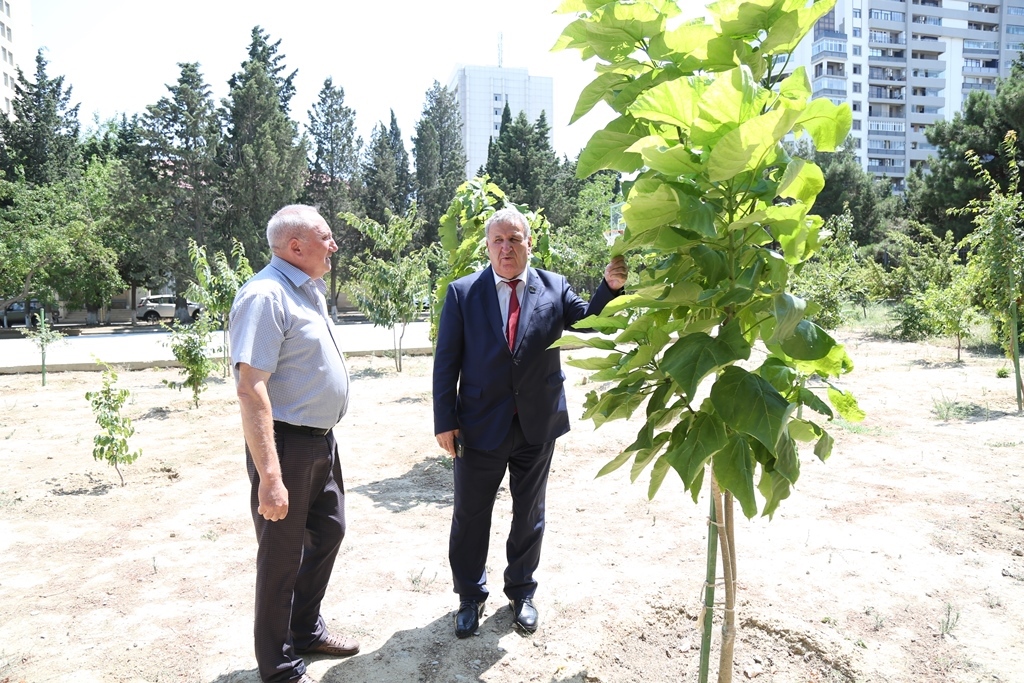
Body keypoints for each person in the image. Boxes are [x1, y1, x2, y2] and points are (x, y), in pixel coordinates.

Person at [433, 206, 628, 638]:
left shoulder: (554, 287)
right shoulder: (464, 293)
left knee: (530, 513)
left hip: (536, 424)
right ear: (488, 246)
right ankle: (469, 596)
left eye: (514, 239)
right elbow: (446, 362)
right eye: (498, 240)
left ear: (529, 242)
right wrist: (444, 419)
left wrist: (609, 290)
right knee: (470, 515)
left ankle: (521, 591)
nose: (506, 248)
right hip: (479, 425)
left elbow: (590, 324)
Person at [230, 205, 358, 683]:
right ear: (296, 246)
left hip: (320, 440)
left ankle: (304, 629)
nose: (334, 245)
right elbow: (250, 388)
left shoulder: (306, 290)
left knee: (329, 532)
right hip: (286, 445)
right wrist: (270, 477)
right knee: (281, 555)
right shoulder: (266, 295)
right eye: (326, 237)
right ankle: (279, 667)